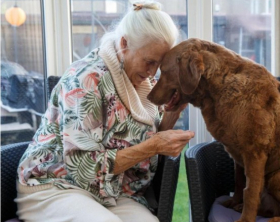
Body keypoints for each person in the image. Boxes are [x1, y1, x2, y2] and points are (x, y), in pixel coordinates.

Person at [15, 1, 194, 222]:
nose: (152, 72)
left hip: (112, 192)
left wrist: (172, 112)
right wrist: (153, 146)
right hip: (54, 184)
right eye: (149, 61)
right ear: (124, 43)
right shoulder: (86, 80)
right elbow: (83, 169)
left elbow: (150, 142)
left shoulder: (143, 82)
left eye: (159, 63)